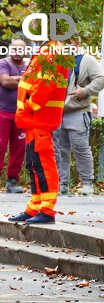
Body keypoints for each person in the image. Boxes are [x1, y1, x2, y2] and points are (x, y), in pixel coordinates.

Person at [9, 41, 69, 224]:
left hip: (38, 119)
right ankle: (36, 206)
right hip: (33, 120)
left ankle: (47, 209)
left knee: (43, 165)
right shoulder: (48, 49)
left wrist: (29, 107)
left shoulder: (54, 50)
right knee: (34, 165)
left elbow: (46, 84)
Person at [54, 40, 104, 195]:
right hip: (56, 111)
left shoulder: (86, 59)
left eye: (71, 41)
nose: (68, 44)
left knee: (80, 147)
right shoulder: (55, 60)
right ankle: (62, 184)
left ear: (77, 42)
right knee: (60, 150)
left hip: (77, 110)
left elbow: (101, 78)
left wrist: (86, 91)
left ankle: (87, 183)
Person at [0, 39, 28, 194]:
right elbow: (5, 82)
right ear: (10, 50)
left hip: (21, 112)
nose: (17, 52)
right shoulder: (2, 63)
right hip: (3, 111)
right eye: (15, 49)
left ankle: (12, 181)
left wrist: (15, 79)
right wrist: (22, 80)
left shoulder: (28, 66)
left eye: (21, 49)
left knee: (19, 148)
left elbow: (33, 84)